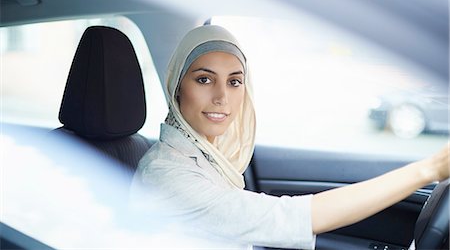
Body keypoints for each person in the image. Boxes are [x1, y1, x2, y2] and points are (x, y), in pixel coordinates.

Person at [131, 24, 449, 249]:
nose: (222, 98)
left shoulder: (203, 158)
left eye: (234, 82)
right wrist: (429, 170)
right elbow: (297, 217)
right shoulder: (168, 175)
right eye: (204, 79)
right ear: (176, 87)